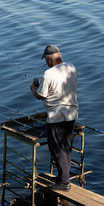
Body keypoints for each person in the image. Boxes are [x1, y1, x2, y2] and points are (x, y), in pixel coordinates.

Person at [30, 44, 79, 191]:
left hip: (56, 116)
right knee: (66, 146)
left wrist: (33, 88)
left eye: (46, 60)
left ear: (49, 59)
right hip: (72, 113)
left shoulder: (48, 74)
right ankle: (63, 176)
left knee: (56, 147)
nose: (46, 63)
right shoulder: (71, 68)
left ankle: (64, 182)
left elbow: (41, 95)